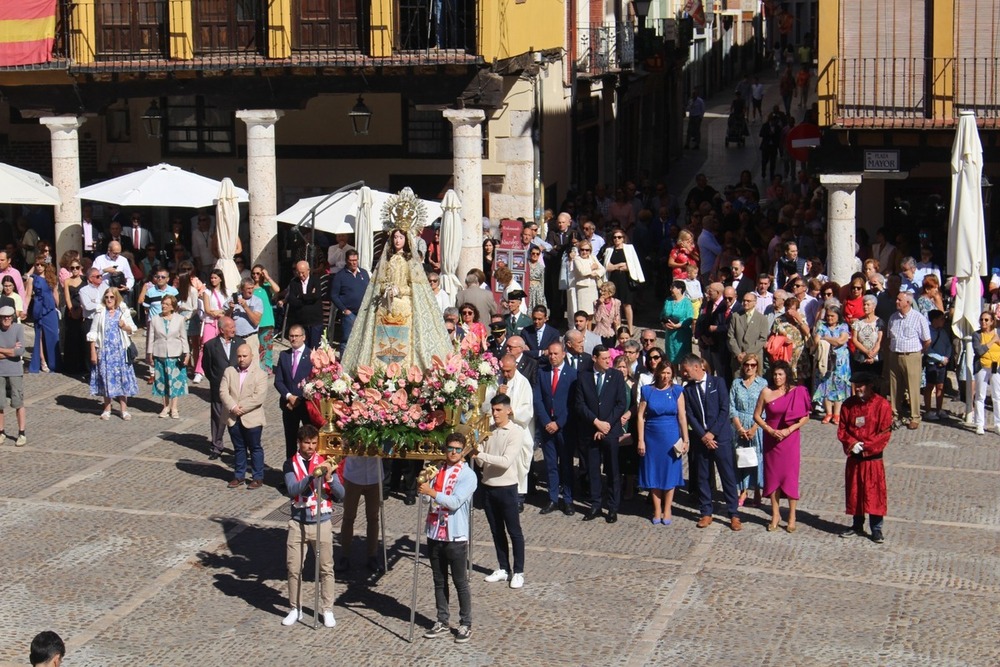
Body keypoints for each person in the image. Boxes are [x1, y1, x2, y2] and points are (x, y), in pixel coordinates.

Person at [343, 192, 454, 372]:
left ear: (407, 239)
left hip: (403, 304)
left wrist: (399, 290)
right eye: (395, 237)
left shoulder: (411, 261)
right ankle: (381, 369)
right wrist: (384, 288)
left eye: (400, 238)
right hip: (385, 304)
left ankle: (404, 370)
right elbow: (377, 283)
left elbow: (416, 288)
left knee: (404, 338)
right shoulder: (385, 260)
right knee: (381, 338)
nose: (397, 241)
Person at [282, 424, 344, 628]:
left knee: (326, 568)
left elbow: (341, 495)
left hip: (321, 522)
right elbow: (292, 489)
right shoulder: (290, 464)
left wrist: (329, 478)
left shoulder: (325, 462)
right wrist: (311, 477)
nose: (311, 447)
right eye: (307, 443)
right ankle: (295, 607)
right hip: (298, 522)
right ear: (299, 444)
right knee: (293, 568)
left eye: (314, 443)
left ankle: (327, 609)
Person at [419, 431, 477, 644]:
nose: (453, 453)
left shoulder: (468, 475)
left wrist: (432, 493)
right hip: (435, 532)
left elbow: (454, 501)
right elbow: (426, 501)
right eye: (450, 449)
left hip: (455, 535)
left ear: (463, 452)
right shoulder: (437, 470)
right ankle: (442, 619)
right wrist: (424, 491)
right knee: (438, 579)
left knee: (460, 581)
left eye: (457, 450)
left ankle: (465, 622)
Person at [679, 353, 742, 531]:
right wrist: (703, 435)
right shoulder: (688, 389)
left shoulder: (718, 382)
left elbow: (725, 409)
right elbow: (689, 414)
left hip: (720, 438)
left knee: (727, 476)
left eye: (686, 370)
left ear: (696, 367)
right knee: (703, 477)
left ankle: (733, 514)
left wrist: (712, 433)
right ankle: (706, 511)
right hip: (701, 440)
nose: (683, 374)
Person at [475, 394, 527, 589]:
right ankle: (503, 567)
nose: (495, 414)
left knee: (514, 531)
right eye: (493, 410)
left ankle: (519, 571)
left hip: (506, 488)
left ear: (508, 410)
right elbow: (480, 462)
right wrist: (476, 448)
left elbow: (505, 461)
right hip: (488, 486)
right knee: (496, 530)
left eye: (498, 410)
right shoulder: (489, 431)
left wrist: (480, 453)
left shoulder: (516, 432)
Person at [753, 360, 811, 532]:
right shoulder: (766, 392)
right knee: (773, 477)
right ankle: (775, 514)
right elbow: (757, 416)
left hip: (790, 439)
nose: (777, 377)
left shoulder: (796, 392)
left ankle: (792, 516)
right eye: (775, 374)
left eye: (781, 374)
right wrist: (769, 429)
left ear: (786, 376)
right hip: (771, 439)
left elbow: (805, 416)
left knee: (790, 476)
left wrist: (789, 430)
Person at [837, 371, 893, 543]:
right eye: (856, 385)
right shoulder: (848, 405)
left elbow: (884, 433)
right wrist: (852, 443)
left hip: (873, 459)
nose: (858, 388)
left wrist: (867, 446)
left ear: (869, 386)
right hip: (855, 458)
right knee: (856, 492)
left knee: (874, 493)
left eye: (861, 385)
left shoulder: (882, 405)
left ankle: (876, 528)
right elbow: (842, 429)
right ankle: (857, 524)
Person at [577, 345, 629, 523]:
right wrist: (596, 423)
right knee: (593, 470)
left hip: (610, 430)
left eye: (609, 358)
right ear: (594, 358)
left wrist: (606, 424)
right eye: (604, 358)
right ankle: (595, 504)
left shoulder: (616, 376)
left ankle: (613, 507)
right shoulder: (583, 376)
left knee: (613, 469)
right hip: (590, 430)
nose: (608, 361)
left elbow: (621, 403)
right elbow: (580, 404)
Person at [637, 362, 687, 524]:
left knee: (669, 473)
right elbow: (640, 416)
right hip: (652, 437)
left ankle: (667, 508)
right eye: (663, 373)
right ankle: (657, 509)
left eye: (668, 373)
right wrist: (641, 440)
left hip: (671, 436)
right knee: (653, 472)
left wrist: (685, 439)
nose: (665, 376)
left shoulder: (677, 391)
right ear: (657, 373)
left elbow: (681, 416)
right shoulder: (648, 391)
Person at [483, 353, 534, 511]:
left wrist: (511, 411)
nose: (505, 374)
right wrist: (497, 395)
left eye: (508, 371)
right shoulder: (496, 381)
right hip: (497, 429)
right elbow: (485, 406)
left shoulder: (523, 383)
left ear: (515, 367)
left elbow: (527, 410)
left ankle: (518, 496)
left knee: (518, 463)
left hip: (517, 428)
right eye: (503, 371)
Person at [534, 342, 579, 516]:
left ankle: (567, 499)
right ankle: (553, 498)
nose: (552, 357)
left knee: (566, 464)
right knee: (551, 464)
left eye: (555, 354)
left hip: (564, 426)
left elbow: (573, 404)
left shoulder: (572, 375)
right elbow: (537, 399)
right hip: (547, 426)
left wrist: (559, 423)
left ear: (563, 354)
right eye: (550, 354)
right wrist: (546, 421)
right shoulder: (542, 373)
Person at [221, 344, 269, 489]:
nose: (241, 359)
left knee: (255, 448)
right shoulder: (229, 371)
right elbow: (223, 391)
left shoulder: (260, 374)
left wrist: (241, 408)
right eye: (239, 356)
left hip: (252, 418)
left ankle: (257, 477)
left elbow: (258, 397)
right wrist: (233, 407)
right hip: (233, 417)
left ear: (251, 356)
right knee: (239, 448)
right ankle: (239, 475)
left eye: (244, 356)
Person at [88, 288, 138, 420]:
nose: (109, 300)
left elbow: (132, 329)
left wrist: (124, 327)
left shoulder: (123, 312)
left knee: (122, 379)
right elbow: (93, 333)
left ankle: (124, 409)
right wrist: (93, 351)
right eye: (107, 297)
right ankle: (107, 408)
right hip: (105, 351)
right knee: (106, 379)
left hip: (120, 351)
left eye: (111, 297)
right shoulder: (100, 313)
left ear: (116, 298)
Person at [886, 292, 931, 429]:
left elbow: (927, 340)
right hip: (895, 354)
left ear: (908, 302)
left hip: (912, 355)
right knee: (895, 387)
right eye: (897, 299)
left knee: (913, 386)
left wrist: (919, 352)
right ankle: (895, 414)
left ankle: (915, 416)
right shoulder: (893, 318)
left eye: (900, 300)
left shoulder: (918, 318)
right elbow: (889, 337)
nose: (897, 302)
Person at [201, 316, 244, 459]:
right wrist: (214, 379)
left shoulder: (240, 342)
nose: (233, 329)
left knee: (239, 419)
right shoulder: (210, 345)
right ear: (221, 329)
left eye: (234, 327)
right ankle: (216, 446)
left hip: (237, 389)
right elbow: (206, 366)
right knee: (218, 419)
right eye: (230, 327)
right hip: (218, 388)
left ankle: (241, 448)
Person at [337, 453, 386, 574]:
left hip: (375, 475)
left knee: (373, 518)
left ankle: (372, 556)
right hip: (354, 475)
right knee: (348, 517)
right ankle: (344, 556)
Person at [146, 294, 190, 419]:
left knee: (175, 381)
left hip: (175, 355)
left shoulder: (179, 319)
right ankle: (165, 406)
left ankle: (174, 407)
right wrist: (150, 354)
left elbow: (183, 338)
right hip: (160, 354)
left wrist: (187, 353)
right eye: (163, 303)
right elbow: (151, 338)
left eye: (167, 304)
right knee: (162, 381)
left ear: (173, 307)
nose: (164, 306)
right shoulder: (155, 319)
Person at [731, 354, 766, 508]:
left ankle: (758, 491)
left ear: (757, 367)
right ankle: (743, 491)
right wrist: (739, 428)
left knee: (757, 458)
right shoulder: (736, 383)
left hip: (756, 424)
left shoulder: (762, 383)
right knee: (741, 459)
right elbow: (732, 407)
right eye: (747, 365)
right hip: (740, 425)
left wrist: (754, 428)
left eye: (753, 365)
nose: (750, 368)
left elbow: (765, 408)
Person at [275, 324, 313, 460]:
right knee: (290, 440)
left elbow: (315, 382)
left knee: (309, 441)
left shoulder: (312, 356)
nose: (293, 339)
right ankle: (290, 472)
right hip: (288, 405)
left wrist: (300, 399)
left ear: (303, 337)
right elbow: (278, 381)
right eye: (291, 336)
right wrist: (289, 396)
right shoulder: (284, 356)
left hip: (306, 405)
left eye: (297, 336)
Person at [813, 306, 851, 424]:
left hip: (840, 361)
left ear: (838, 316)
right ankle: (828, 413)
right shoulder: (822, 326)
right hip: (825, 360)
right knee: (826, 385)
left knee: (838, 386)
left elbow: (841, 341)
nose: (829, 318)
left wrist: (825, 338)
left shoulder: (843, 326)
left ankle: (837, 414)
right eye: (828, 316)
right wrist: (832, 340)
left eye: (832, 316)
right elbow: (816, 341)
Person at [602, 228, 645, 332]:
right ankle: (618, 328)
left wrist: (617, 266)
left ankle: (630, 328)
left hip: (625, 280)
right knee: (615, 305)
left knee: (627, 304)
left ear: (623, 238)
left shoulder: (629, 248)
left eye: (619, 237)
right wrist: (619, 266)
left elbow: (631, 265)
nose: (617, 239)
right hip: (613, 280)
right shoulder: (609, 250)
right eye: (615, 237)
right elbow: (607, 267)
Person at [329, 249, 369, 353]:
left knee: (363, 340)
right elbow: (334, 295)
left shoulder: (364, 273)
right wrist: (344, 309)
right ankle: (343, 366)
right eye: (351, 260)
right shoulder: (340, 276)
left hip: (363, 312)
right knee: (346, 341)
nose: (354, 262)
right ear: (347, 260)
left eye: (355, 260)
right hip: (349, 314)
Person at [24, 258, 60, 373]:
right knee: (39, 335)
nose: (39, 266)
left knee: (53, 334)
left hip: (50, 308)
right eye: (37, 264)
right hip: (39, 307)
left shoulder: (51, 277)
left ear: (46, 266)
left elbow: (55, 292)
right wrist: (24, 309)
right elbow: (28, 295)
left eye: (41, 265)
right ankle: (42, 360)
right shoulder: (32, 279)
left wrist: (57, 306)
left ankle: (54, 362)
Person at [194, 269, 228, 384]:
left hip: (222, 323)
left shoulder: (226, 292)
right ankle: (199, 371)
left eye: (215, 278)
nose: (213, 280)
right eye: (212, 278)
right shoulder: (207, 292)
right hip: (210, 322)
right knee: (205, 346)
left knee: (223, 346)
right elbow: (208, 310)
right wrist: (219, 312)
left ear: (221, 279)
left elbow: (228, 310)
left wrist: (219, 312)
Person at [769, 296, 811, 381]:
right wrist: (782, 340)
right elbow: (772, 337)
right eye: (787, 308)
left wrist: (798, 319)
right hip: (785, 355)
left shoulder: (801, 318)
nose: (789, 311)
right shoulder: (779, 320)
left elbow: (807, 332)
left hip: (799, 355)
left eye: (791, 309)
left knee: (799, 379)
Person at [286, 260, 326, 349]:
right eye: (298, 272)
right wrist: (308, 297)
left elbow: (316, 296)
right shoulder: (294, 282)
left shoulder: (315, 280)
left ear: (308, 270)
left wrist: (300, 296)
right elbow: (292, 300)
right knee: (302, 347)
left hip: (315, 320)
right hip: (301, 320)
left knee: (315, 348)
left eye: (303, 273)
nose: (301, 275)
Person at [0, 306, 25, 445]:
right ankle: (1, 432)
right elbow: (14, 352)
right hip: (0, 371)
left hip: (15, 371)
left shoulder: (18, 329)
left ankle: (21, 433)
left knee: (18, 402)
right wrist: (10, 350)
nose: (6, 319)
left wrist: (2, 351)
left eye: (9, 316)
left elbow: (20, 351)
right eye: (4, 317)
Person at [727, 291, 769, 375]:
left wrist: (747, 354)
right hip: (738, 360)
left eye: (748, 301)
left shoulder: (762, 319)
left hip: (754, 359)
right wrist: (738, 353)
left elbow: (762, 339)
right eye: (744, 300)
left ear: (755, 303)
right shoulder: (736, 316)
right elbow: (730, 336)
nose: (745, 303)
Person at [972, 311, 1000, 435]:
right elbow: (979, 351)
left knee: (997, 396)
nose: (984, 322)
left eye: (987, 320)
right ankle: (979, 423)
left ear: (992, 322)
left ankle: (998, 424)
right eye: (982, 319)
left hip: (996, 366)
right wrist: (992, 341)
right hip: (982, 366)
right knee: (980, 395)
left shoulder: (998, 333)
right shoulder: (977, 335)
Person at [250, 264, 280, 373]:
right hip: (253, 321)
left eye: (258, 273)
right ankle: (256, 368)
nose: (255, 275)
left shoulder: (267, 286)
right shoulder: (250, 287)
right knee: (255, 346)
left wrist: (267, 277)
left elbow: (277, 289)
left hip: (266, 320)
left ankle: (267, 368)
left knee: (267, 347)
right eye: (253, 273)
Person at [923, 310, 951, 422]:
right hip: (932, 363)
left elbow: (948, 345)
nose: (943, 321)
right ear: (935, 320)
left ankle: (939, 409)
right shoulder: (928, 332)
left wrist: (946, 358)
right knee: (930, 386)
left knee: (940, 386)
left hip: (942, 364)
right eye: (941, 318)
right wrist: (939, 358)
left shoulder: (943, 332)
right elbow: (927, 349)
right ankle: (928, 410)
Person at [61, 256, 87, 375]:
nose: (75, 270)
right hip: (71, 311)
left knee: (82, 337)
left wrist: (82, 310)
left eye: (77, 267)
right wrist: (71, 310)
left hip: (82, 309)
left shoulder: (85, 280)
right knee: (71, 337)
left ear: (80, 268)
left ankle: (83, 364)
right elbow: (67, 297)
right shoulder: (67, 281)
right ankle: (71, 365)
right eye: (72, 268)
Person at [660, 280, 694, 364]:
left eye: (673, 287)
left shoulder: (687, 302)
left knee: (684, 358)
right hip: (670, 334)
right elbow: (662, 314)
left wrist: (678, 325)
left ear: (680, 289)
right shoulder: (668, 300)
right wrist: (664, 324)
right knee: (671, 357)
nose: (670, 289)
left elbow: (690, 318)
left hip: (682, 335)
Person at [569, 240, 605, 320]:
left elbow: (602, 269)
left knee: (592, 311)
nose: (585, 252)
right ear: (579, 250)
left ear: (590, 251)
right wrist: (592, 268)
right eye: (582, 249)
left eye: (587, 250)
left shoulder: (593, 257)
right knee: (584, 313)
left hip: (592, 287)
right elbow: (582, 271)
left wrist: (595, 273)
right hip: (582, 288)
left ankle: (590, 331)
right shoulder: (577, 259)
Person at [228, 277, 263, 356]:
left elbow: (256, 321)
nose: (251, 291)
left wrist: (245, 307)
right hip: (236, 338)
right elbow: (226, 319)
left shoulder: (257, 301)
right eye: (248, 288)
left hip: (251, 338)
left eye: (252, 288)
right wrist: (230, 309)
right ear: (242, 289)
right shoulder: (234, 298)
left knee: (253, 364)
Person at [592, 282, 622, 347]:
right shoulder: (596, 303)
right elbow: (597, 319)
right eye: (601, 290)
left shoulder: (616, 302)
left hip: (612, 333)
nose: (601, 292)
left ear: (610, 293)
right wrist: (600, 305)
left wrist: (617, 324)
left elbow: (617, 317)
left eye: (604, 291)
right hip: (600, 333)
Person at [526, 244, 547, 312]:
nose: (535, 255)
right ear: (530, 253)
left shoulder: (541, 267)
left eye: (537, 254)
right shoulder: (526, 265)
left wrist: (542, 293)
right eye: (533, 253)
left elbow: (542, 281)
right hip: (528, 289)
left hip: (538, 291)